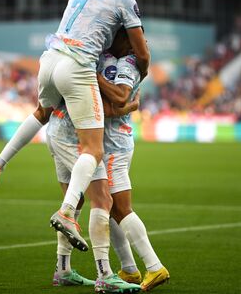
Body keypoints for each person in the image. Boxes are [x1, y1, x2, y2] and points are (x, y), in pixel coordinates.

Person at [0, 0, 150, 253]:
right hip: (79, 66)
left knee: (41, 112)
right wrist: (142, 71)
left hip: (50, 58)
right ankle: (67, 212)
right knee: (93, 150)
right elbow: (141, 50)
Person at [47, 29, 169, 292]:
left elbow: (119, 98)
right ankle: (129, 269)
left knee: (120, 208)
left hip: (114, 144)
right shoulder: (108, 58)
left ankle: (154, 266)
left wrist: (91, 77)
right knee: (109, 207)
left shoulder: (127, 63)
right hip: (105, 141)